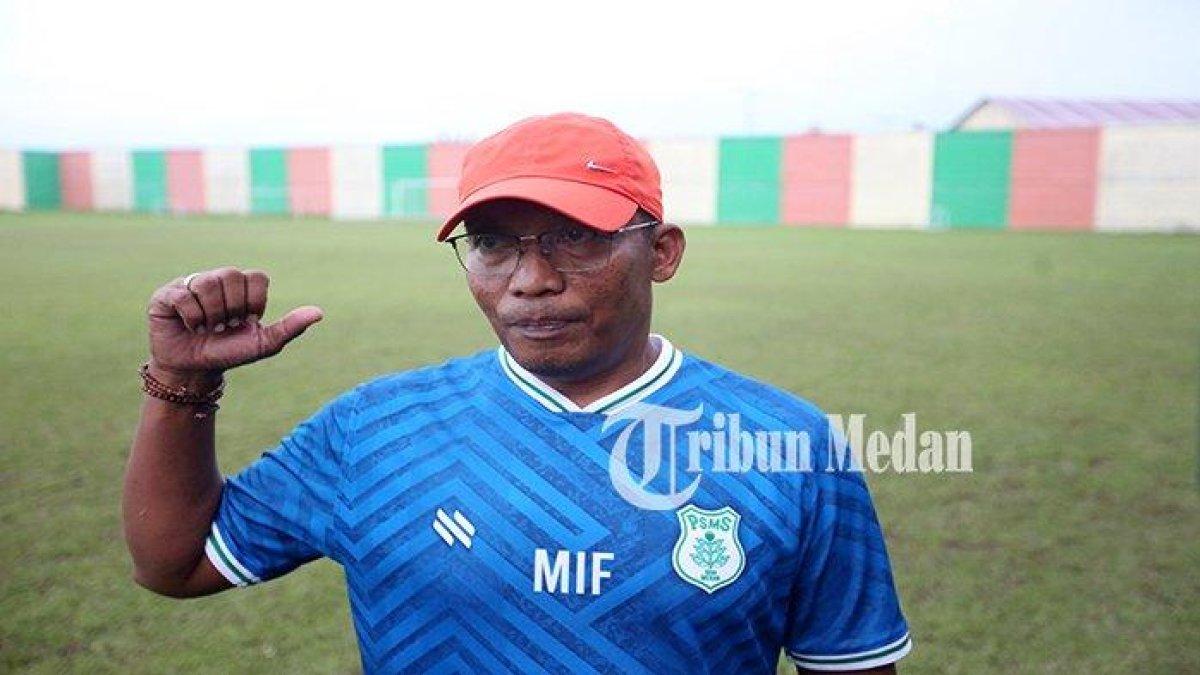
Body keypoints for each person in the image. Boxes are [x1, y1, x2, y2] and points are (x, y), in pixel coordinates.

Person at [124, 112, 911, 673]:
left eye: (576, 237)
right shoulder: (375, 429)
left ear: (662, 252)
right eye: (494, 243)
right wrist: (183, 381)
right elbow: (174, 562)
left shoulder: (787, 445)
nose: (531, 279)